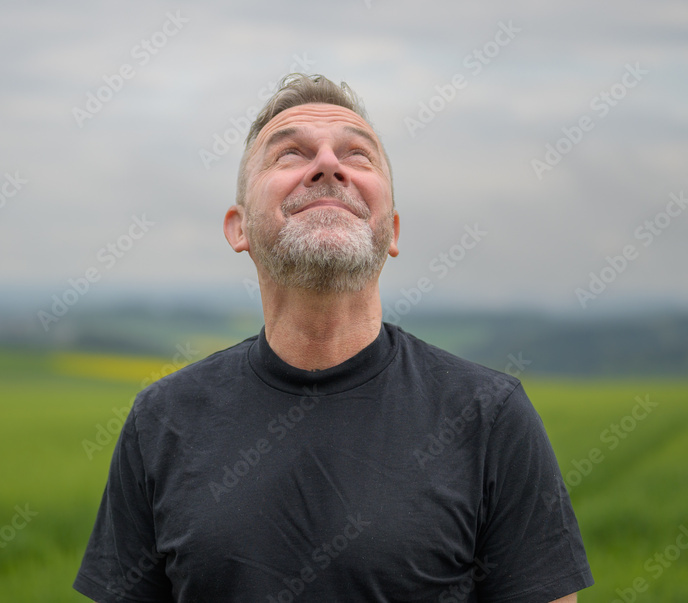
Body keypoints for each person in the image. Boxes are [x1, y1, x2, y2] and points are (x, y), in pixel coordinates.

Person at [73, 73, 593, 602]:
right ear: (239, 227)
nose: (328, 164)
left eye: (358, 155)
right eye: (290, 154)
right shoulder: (161, 421)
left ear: (391, 230)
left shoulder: (491, 419)